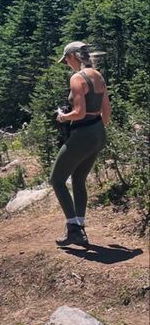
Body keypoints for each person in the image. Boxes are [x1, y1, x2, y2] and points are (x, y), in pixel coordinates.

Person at [51, 41, 111, 248]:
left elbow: (79, 112)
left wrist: (62, 117)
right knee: (78, 180)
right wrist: (94, 131)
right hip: (98, 134)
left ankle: (74, 230)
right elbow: (106, 114)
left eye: (66, 59)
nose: (66, 63)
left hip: (83, 134)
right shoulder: (99, 76)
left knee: (57, 180)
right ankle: (79, 226)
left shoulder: (77, 78)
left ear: (73, 56)